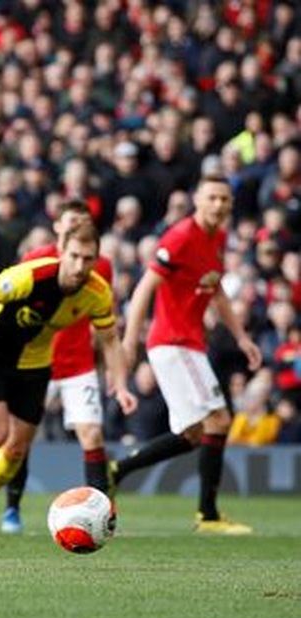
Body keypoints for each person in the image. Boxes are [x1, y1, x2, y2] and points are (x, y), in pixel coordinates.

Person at [0, 221, 137, 535]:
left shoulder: (98, 292)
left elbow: (110, 340)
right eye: (74, 256)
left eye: (88, 259)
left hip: (35, 366)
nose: (80, 265)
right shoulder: (32, 275)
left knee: (16, 449)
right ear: (62, 252)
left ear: (97, 259)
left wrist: (121, 384)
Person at [115, 175, 263, 534]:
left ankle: (118, 470)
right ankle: (207, 515)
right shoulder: (180, 237)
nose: (219, 205)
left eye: (224, 199)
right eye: (212, 197)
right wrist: (130, 341)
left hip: (189, 345)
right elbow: (144, 287)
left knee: (195, 433)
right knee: (219, 421)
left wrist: (242, 337)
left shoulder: (218, 238)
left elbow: (217, 292)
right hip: (173, 342)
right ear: (197, 200)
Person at [0, 200, 116, 534]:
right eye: (70, 223)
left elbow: (106, 321)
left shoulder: (100, 267)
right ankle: (11, 510)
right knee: (20, 439)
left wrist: (113, 370)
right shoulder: (36, 260)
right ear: (57, 228)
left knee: (92, 434)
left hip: (78, 363)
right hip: (36, 361)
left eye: (82, 222)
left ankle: (105, 515)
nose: (76, 228)